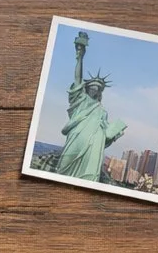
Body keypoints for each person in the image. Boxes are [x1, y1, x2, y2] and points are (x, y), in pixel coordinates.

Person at [54, 30, 126, 181]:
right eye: (93, 86)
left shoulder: (102, 111)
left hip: (94, 145)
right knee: (64, 165)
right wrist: (80, 57)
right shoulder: (81, 99)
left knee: (88, 174)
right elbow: (77, 78)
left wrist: (114, 133)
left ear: (100, 92)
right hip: (76, 137)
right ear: (87, 88)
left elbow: (106, 134)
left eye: (98, 88)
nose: (95, 89)